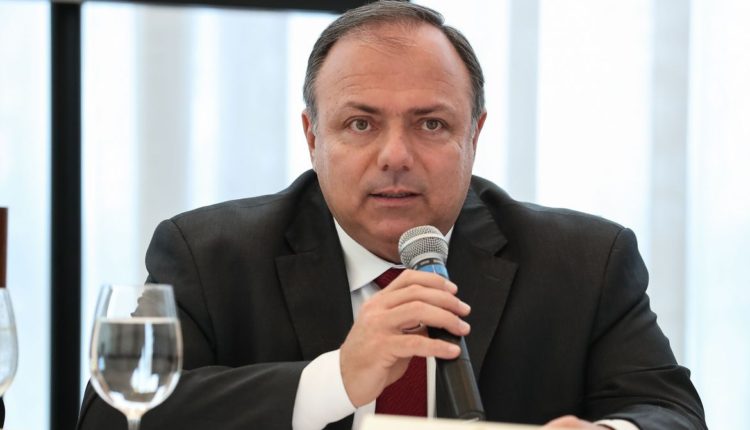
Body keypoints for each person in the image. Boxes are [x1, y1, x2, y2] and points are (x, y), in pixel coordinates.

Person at [77, 2, 706, 429]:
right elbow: (113, 416)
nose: (395, 156)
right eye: (361, 124)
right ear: (312, 137)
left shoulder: (584, 262)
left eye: (430, 124)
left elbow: (669, 412)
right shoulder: (210, 255)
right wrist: (334, 380)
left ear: (474, 135)